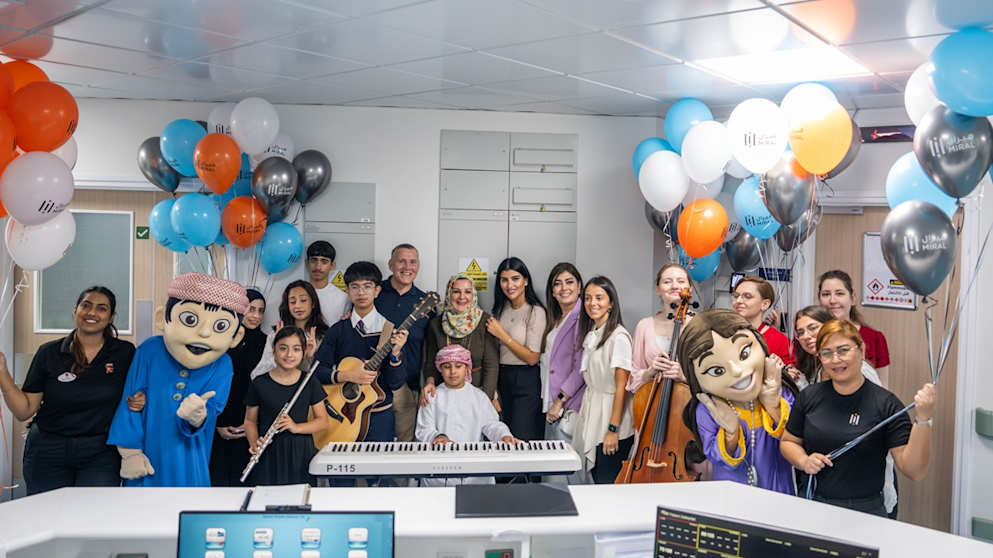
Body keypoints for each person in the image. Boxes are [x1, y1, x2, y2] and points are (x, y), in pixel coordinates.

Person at [781, 319, 935, 516]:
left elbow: (914, 470)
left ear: (861, 350)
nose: (835, 359)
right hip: (813, 504)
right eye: (826, 353)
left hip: (865, 510)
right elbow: (788, 442)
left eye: (843, 350)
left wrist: (923, 419)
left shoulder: (886, 404)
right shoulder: (809, 396)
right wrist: (803, 461)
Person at [108, 273, 248, 487]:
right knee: (141, 511)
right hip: (147, 452)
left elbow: (214, 406)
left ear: (235, 337)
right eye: (190, 319)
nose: (203, 333)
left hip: (190, 454)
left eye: (220, 326)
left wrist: (199, 415)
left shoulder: (222, 364)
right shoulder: (150, 350)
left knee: (187, 507)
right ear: (161, 318)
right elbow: (130, 401)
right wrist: (130, 452)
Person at [0, 287, 135, 495]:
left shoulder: (124, 353)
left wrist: (140, 399)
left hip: (100, 450)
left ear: (111, 317)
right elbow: (24, 410)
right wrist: (3, 374)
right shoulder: (49, 353)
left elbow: (136, 392)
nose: (92, 313)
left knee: (92, 518)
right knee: (47, 516)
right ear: (75, 310)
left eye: (101, 308)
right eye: (86, 305)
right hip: (48, 448)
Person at [679, 309, 797, 495]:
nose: (736, 371)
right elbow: (716, 457)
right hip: (732, 494)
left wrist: (774, 405)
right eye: (716, 370)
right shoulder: (708, 408)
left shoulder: (778, 388)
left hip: (779, 491)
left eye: (745, 353)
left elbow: (796, 439)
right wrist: (731, 433)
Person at [313, 261, 408, 446]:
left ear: (377, 291)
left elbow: (395, 383)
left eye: (367, 286)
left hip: (378, 417)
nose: (361, 293)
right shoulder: (337, 330)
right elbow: (316, 372)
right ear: (347, 291)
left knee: (379, 472)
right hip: (340, 415)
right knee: (340, 472)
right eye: (355, 287)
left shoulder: (389, 332)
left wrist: (395, 354)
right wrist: (348, 375)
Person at [415, 345, 519, 486]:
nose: (453, 372)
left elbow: (492, 424)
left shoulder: (478, 396)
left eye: (458, 366)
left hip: (475, 472)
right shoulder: (432, 397)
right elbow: (423, 429)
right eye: (447, 366)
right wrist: (438, 437)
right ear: (440, 369)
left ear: (467, 368)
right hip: (439, 474)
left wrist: (503, 435)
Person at [244, 327, 328, 486]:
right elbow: (249, 421)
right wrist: (254, 443)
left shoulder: (309, 381)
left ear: (303, 353)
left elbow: (323, 421)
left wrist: (295, 427)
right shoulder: (259, 383)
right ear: (273, 350)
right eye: (283, 348)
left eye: (296, 349)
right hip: (268, 452)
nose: (289, 355)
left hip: (301, 453)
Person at [572, 276, 634, 484]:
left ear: (611, 302)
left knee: (608, 483)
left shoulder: (619, 337)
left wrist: (612, 430)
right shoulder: (594, 333)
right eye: (588, 298)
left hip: (611, 416)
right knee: (595, 480)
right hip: (594, 410)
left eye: (599, 297)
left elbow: (621, 387)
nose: (592, 303)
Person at [375, 243, 432, 443]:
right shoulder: (374, 293)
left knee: (404, 448)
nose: (407, 267)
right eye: (401, 261)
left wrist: (427, 382)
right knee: (370, 446)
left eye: (413, 262)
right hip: (371, 386)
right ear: (390, 264)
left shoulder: (425, 302)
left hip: (407, 387)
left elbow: (430, 349)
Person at [209, 289, 267, 486]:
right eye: (251, 309)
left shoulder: (267, 343)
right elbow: (214, 384)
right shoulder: (221, 340)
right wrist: (218, 423)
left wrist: (252, 425)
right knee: (218, 484)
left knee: (246, 483)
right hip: (220, 420)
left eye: (261, 311)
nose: (256, 316)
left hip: (251, 423)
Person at [487, 257, 547, 442]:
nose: (509, 285)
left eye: (515, 278)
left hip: (525, 381)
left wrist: (502, 335)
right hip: (502, 378)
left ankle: (528, 473)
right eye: (504, 280)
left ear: (525, 281)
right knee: (503, 436)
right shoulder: (500, 309)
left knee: (522, 438)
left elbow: (532, 357)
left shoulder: (535, 312)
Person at [422, 273, 499, 406]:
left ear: (473, 295)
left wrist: (484, 399)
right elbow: (430, 363)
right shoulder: (436, 324)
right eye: (456, 291)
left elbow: (491, 365)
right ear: (448, 294)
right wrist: (430, 382)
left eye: (468, 292)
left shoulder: (485, 321)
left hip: (478, 393)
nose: (462, 297)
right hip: (444, 396)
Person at [627, 263, 693, 393]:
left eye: (681, 281)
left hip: (689, 406)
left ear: (689, 288)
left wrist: (683, 375)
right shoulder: (644, 326)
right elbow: (632, 379)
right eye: (667, 282)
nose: (675, 286)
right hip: (652, 405)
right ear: (658, 289)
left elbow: (714, 378)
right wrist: (649, 372)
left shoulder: (701, 324)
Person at [818, 270, 890, 386]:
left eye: (839, 293)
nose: (832, 300)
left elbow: (883, 385)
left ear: (853, 298)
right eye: (826, 294)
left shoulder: (875, 338)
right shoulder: (811, 337)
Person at [541, 263, 585, 441]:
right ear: (552, 291)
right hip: (551, 399)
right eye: (557, 283)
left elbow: (581, 367)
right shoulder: (555, 318)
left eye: (569, 282)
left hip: (567, 403)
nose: (564, 288)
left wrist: (560, 400)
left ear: (579, 286)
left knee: (564, 464)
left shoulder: (582, 317)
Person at [251, 280, 328, 379]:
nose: (297, 306)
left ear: (313, 303)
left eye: (303, 300)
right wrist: (278, 352)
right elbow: (256, 375)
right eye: (292, 302)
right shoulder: (276, 334)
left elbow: (325, 377)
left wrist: (309, 358)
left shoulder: (323, 336)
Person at [732, 275, 791, 364]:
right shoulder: (723, 334)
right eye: (736, 296)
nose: (738, 301)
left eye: (747, 296)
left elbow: (789, 375)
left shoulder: (781, 342)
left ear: (765, 304)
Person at [307, 240, 350, 326]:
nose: (318, 266)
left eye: (324, 261)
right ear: (307, 263)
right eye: (314, 260)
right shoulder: (297, 293)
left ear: (332, 265)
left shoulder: (343, 297)